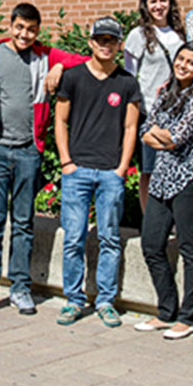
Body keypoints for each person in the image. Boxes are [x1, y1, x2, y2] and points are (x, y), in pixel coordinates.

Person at [0, 2, 88, 318]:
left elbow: (86, 60)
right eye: (20, 27)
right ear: (11, 25)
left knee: (23, 223)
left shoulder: (45, 56)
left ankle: (20, 288)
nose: (25, 34)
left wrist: (60, 67)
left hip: (29, 152)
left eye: (31, 29)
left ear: (37, 30)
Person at [54, 17, 141, 328]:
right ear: (90, 42)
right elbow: (60, 120)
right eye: (100, 39)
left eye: (112, 40)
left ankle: (105, 300)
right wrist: (66, 162)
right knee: (73, 238)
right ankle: (74, 300)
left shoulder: (127, 82)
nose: (106, 45)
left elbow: (131, 127)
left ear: (119, 45)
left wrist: (121, 168)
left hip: (110, 173)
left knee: (110, 238)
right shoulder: (73, 77)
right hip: (77, 170)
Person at [135, 41, 193, 340]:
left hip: (189, 180)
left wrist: (163, 138)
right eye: (181, 59)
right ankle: (166, 310)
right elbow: (146, 132)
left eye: (191, 63)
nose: (183, 66)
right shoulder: (165, 91)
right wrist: (161, 139)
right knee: (151, 243)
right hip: (162, 177)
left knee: (190, 248)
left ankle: (188, 317)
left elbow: (180, 136)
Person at [123, 0, 185, 209]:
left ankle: (172, 218)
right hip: (150, 112)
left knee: (174, 167)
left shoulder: (179, 34)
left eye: (163, 0)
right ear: (146, 6)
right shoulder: (137, 36)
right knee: (149, 170)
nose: (159, 6)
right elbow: (129, 75)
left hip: (177, 112)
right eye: (153, 2)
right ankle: (149, 218)